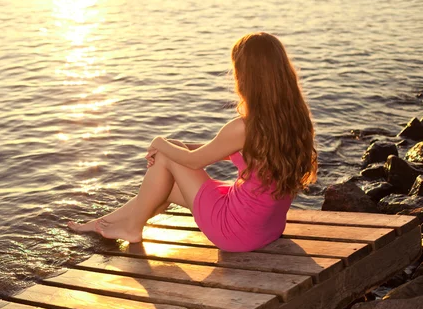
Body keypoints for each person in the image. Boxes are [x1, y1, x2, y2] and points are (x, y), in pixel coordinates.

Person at [67, 32, 318, 252]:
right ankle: (102, 224)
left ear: (246, 77)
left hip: (235, 231)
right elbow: (221, 152)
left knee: (166, 157)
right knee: (162, 185)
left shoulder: (244, 127)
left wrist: (160, 142)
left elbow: (193, 161)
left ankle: (131, 228)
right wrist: (180, 146)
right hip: (267, 228)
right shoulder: (294, 119)